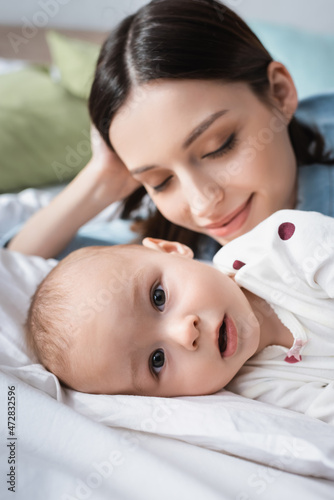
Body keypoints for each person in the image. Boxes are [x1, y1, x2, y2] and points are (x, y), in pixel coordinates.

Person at [6, 0, 334, 260]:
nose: (203, 204)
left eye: (219, 147)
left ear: (279, 92)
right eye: (160, 182)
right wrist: (102, 180)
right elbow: (18, 270)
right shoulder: (177, 248)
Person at [26, 209, 334, 423]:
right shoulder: (255, 390)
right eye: (156, 360)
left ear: (171, 249)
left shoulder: (279, 244)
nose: (186, 334)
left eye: (158, 298)